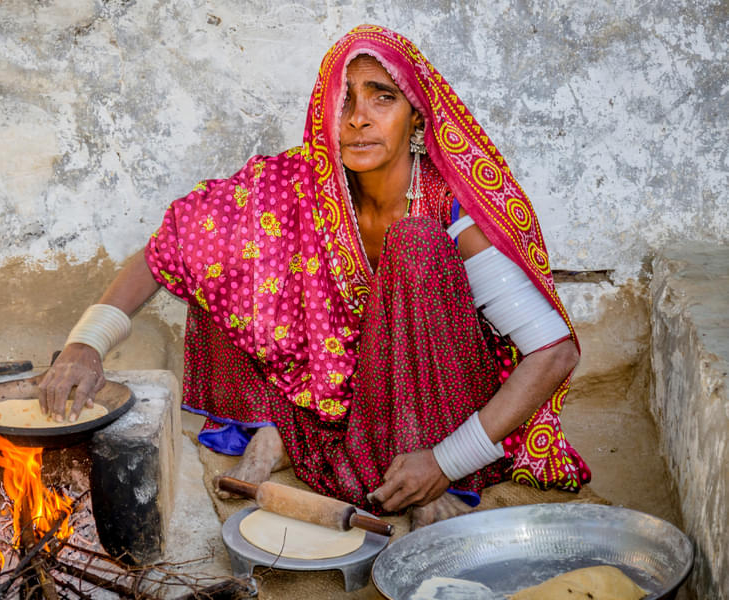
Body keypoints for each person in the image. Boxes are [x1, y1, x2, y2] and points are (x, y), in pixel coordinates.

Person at [38, 25, 591, 528]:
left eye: (383, 97)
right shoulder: (301, 185)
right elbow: (173, 245)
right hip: (340, 392)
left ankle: (418, 478)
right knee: (234, 238)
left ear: (417, 115)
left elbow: (553, 352)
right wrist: (87, 343)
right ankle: (278, 432)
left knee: (416, 243)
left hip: (440, 401)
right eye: (343, 99)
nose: (358, 117)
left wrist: (448, 461)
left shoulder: (450, 205)